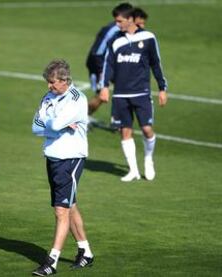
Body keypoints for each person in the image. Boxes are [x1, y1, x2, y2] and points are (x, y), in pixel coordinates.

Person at [31, 59, 94, 276]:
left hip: (71, 159)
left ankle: (51, 261)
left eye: (52, 82)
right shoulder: (48, 97)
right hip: (53, 158)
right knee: (70, 204)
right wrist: (56, 125)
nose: (49, 86)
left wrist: (52, 123)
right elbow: (35, 126)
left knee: (61, 210)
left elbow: (49, 124)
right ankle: (85, 251)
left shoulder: (77, 99)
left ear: (64, 80)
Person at [99, 3, 168, 182]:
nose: (117, 24)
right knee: (125, 131)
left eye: (119, 21)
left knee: (146, 129)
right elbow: (108, 64)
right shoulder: (115, 40)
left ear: (130, 19)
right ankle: (133, 170)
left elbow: (156, 63)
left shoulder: (148, 37)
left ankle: (148, 159)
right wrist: (104, 86)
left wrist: (162, 88)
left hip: (141, 92)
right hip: (120, 93)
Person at [85, 5, 148, 116]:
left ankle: (122, 122)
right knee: (101, 95)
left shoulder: (132, 31)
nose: (142, 26)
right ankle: (81, 118)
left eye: (143, 24)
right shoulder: (113, 31)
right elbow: (97, 53)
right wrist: (102, 74)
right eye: (140, 23)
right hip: (98, 64)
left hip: (113, 64)